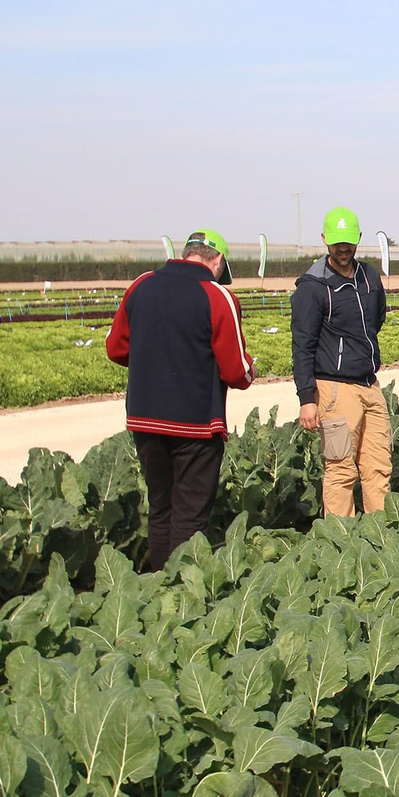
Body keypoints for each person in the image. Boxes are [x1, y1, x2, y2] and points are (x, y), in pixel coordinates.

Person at [106, 230, 255, 570]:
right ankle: (182, 595)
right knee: (189, 513)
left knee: (161, 508)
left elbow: (116, 348)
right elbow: (237, 371)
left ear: (186, 252)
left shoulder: (141, 285)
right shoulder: (217, 296)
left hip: (144, 418)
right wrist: (252, 371)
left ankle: (159, 588)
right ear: (216, 261)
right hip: (196, 423)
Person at [290, 206, 391, 516]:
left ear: (358, 239)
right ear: (324, 240)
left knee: (379, 467)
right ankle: (340, 542)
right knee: (340, 469)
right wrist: (307, 398)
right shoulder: (313, 286)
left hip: (369, 385)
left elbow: (377, 318)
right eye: (336, 243)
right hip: (334, 390)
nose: (343, 249)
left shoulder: (369, 276)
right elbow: (302, 345)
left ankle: (383, 536)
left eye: (348, 242)